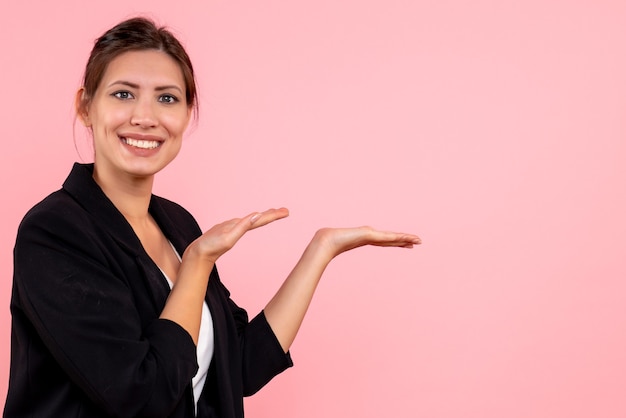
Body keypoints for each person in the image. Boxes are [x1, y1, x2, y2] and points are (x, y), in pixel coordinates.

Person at [3, 17, 421, 418]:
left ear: (187, 115)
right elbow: (139, 395)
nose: (145, 117)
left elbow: (239, 366)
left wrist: (320, 250)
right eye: (123, 94)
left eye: (167, 98)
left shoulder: (176, 223)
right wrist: (197, 263)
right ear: (86, 107)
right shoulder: (54, 231)